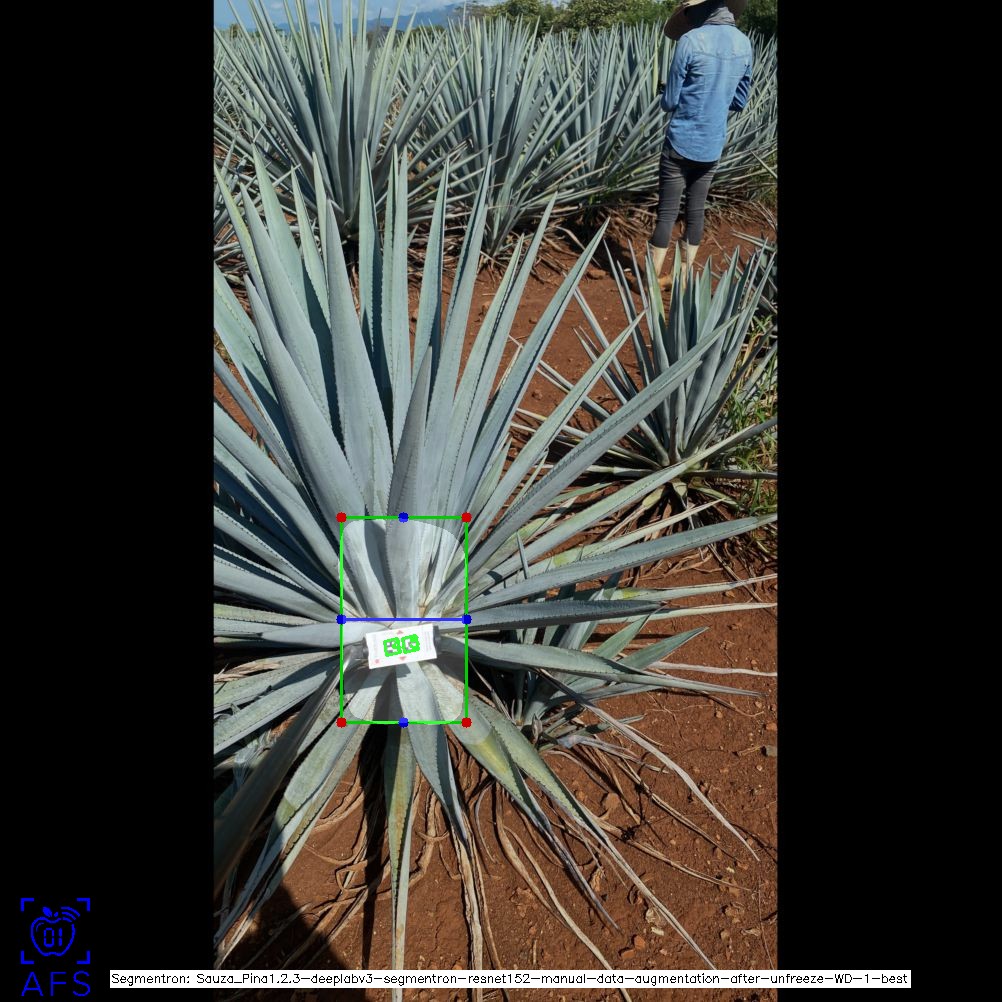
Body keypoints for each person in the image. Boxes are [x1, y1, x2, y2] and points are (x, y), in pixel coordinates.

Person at [649, 0, 753, 290]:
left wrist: (668, 92)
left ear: (700, 9)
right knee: (696, 211)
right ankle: (681, 279)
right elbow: (740, 101)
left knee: (667, 212)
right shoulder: (744, 44)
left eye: (688, 11)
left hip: (680, 141)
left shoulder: (690, 40)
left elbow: (670, 101)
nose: (687, 17)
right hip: (712, 144)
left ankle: (651, 281)